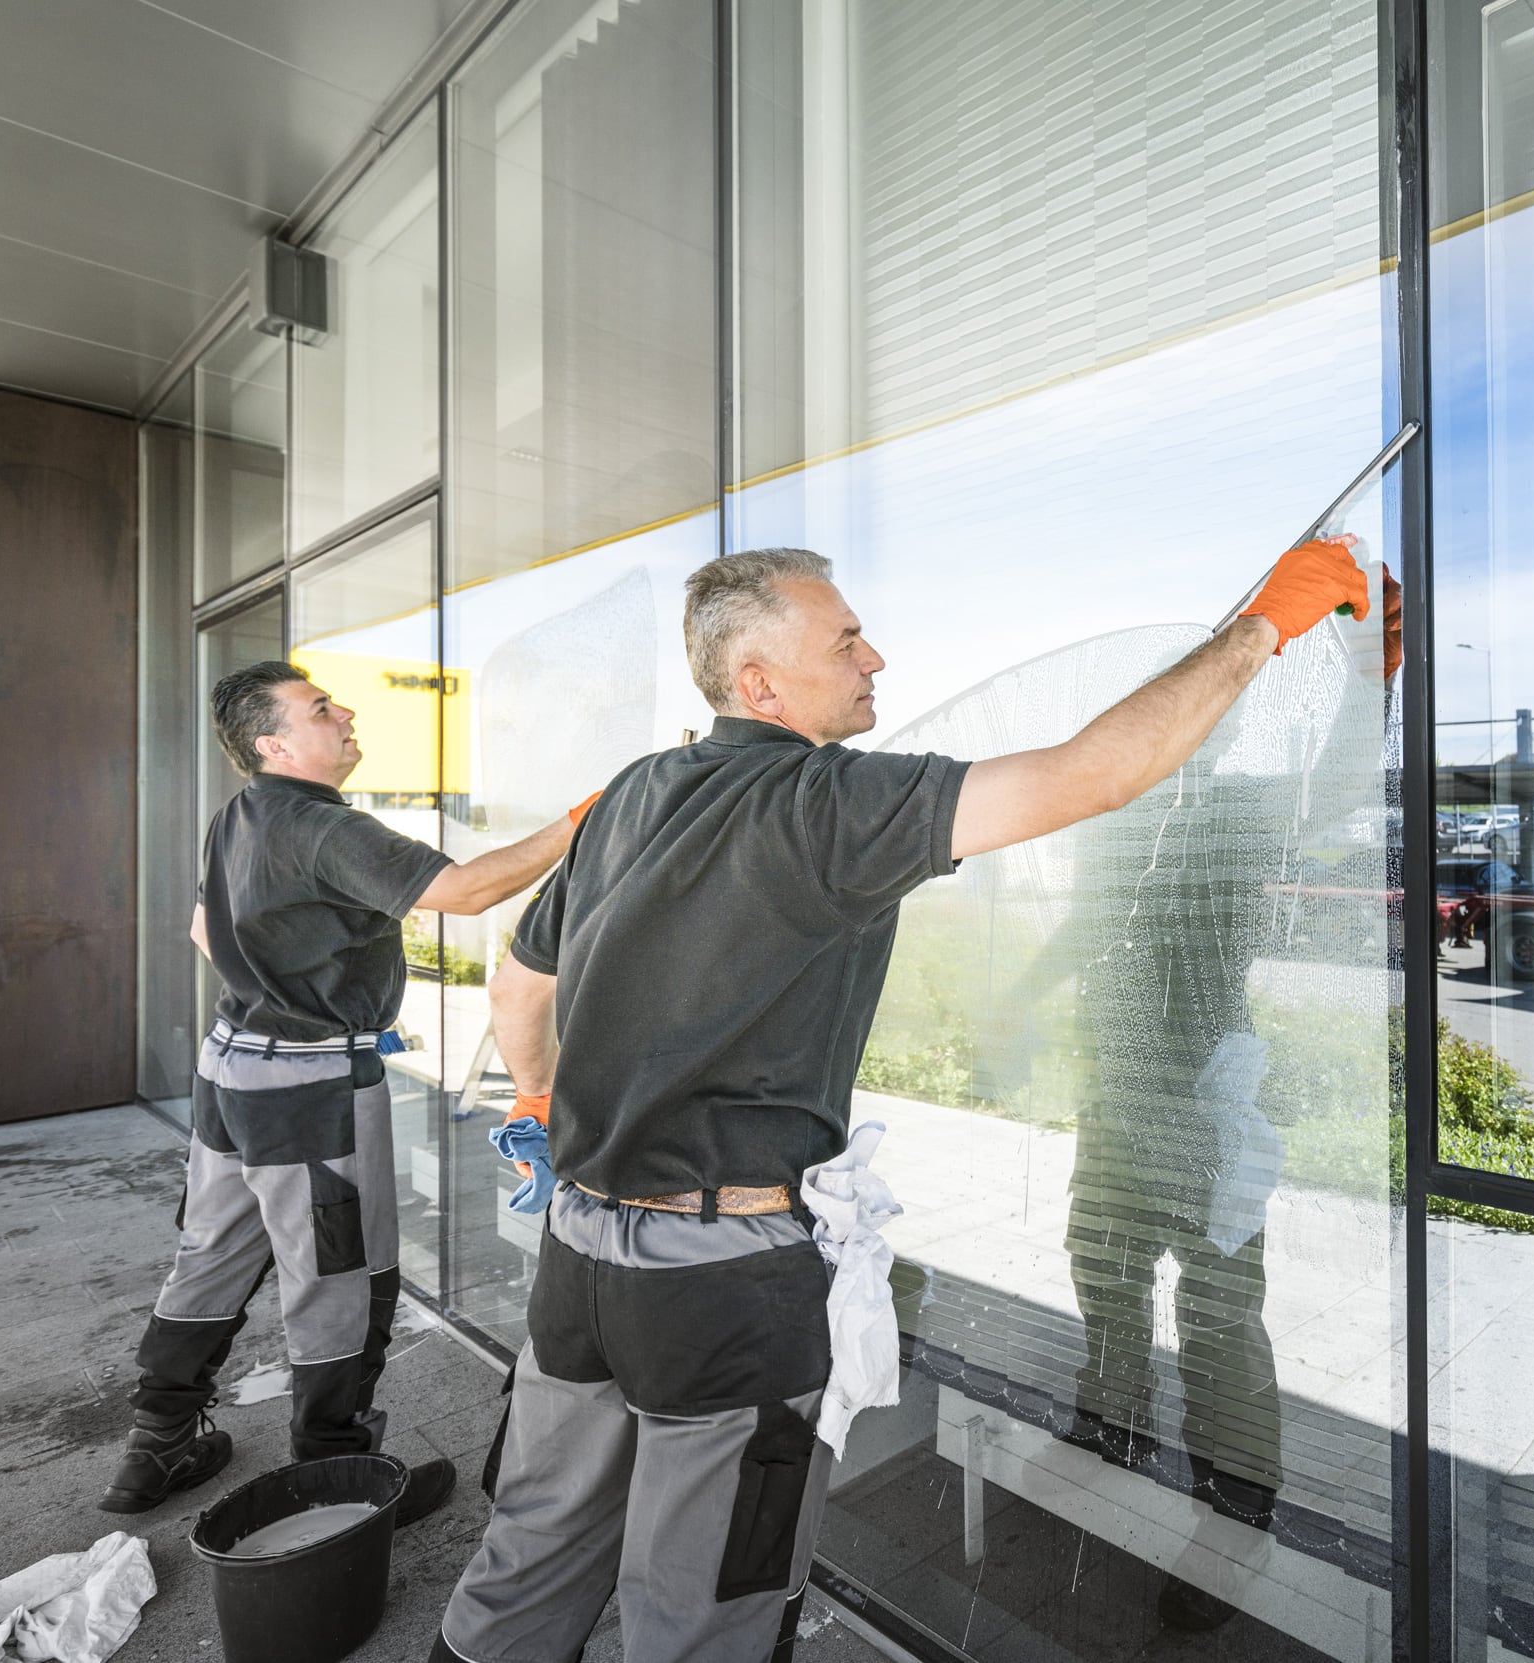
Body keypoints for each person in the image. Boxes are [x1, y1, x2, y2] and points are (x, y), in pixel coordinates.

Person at [432, 537, 1371, 1663]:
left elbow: (518, 986)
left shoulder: (633, 792)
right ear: (759, 683)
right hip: (719, 1287)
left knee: (533, 1545)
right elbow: (1091, 773)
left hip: (579, 1254)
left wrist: (538, 1101)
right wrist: (1262, 625)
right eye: (844, 639)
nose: (874, 655)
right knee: (702, 1603)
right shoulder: (828, 802)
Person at [101, 661, 593, 1521]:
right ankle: (338, 1474)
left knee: (210, 1252)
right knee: (342, 1276)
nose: (346, 714)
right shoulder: (324, 825)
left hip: (230, 1067)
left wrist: (276, 991)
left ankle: (156, 1447)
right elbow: (467, 891)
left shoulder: (239, 814)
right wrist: (578, 824)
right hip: (309, 1086)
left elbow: (199, 929)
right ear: (275, 742)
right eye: (322, 708)